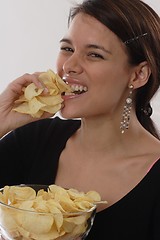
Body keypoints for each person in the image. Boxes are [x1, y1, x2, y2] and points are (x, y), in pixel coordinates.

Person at [0, 0, 160, 239]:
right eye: (67, 48)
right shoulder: (34, 139)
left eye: (94, 54)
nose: (69, 65)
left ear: (138, 74)